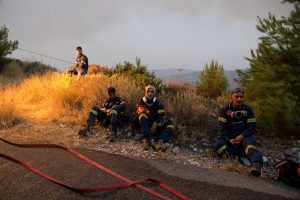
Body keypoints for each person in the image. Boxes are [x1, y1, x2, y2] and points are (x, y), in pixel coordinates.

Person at [213, 88, 263, 177]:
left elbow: (252, 127)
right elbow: (221, 128)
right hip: (229, 138)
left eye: (241, 97)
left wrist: (242, 136)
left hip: (244, 138)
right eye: (236, 97)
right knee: (218, 147)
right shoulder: (224, 110)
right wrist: (229, 139)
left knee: (250, 145)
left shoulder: (248, 110)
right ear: (231, 97)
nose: (239, 99)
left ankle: (256, 165)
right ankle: (240, 156)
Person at [134, 85, 174, 150]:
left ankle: (160, 141)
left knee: (170, 124)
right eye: (148, 91)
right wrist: (144, 110)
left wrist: (155, 123)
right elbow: (137, 111)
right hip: (145, 124)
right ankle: (147, 139)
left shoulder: (158, 103)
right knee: (142, 114)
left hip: (154, 124)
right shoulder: (141, 101)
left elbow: (162, 115)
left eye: (152, 92)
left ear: (154, 93)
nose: (150, 93)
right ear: (145, 92)